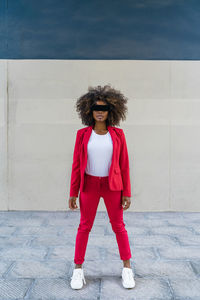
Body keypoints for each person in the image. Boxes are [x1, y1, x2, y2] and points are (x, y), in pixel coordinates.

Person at [68, 84, 135, 289]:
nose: (100, 112)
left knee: (118, 226)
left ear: (111, 111)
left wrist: (127, 193)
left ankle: (127, 269)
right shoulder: (82, 135)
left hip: (112, 186)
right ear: (89, 110)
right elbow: (76, 164)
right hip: (89, 185)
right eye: (96, 108)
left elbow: (124, 165)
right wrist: (73, 192)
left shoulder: (118, 135)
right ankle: (78, 270)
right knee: (84, 226)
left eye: (104, 108)